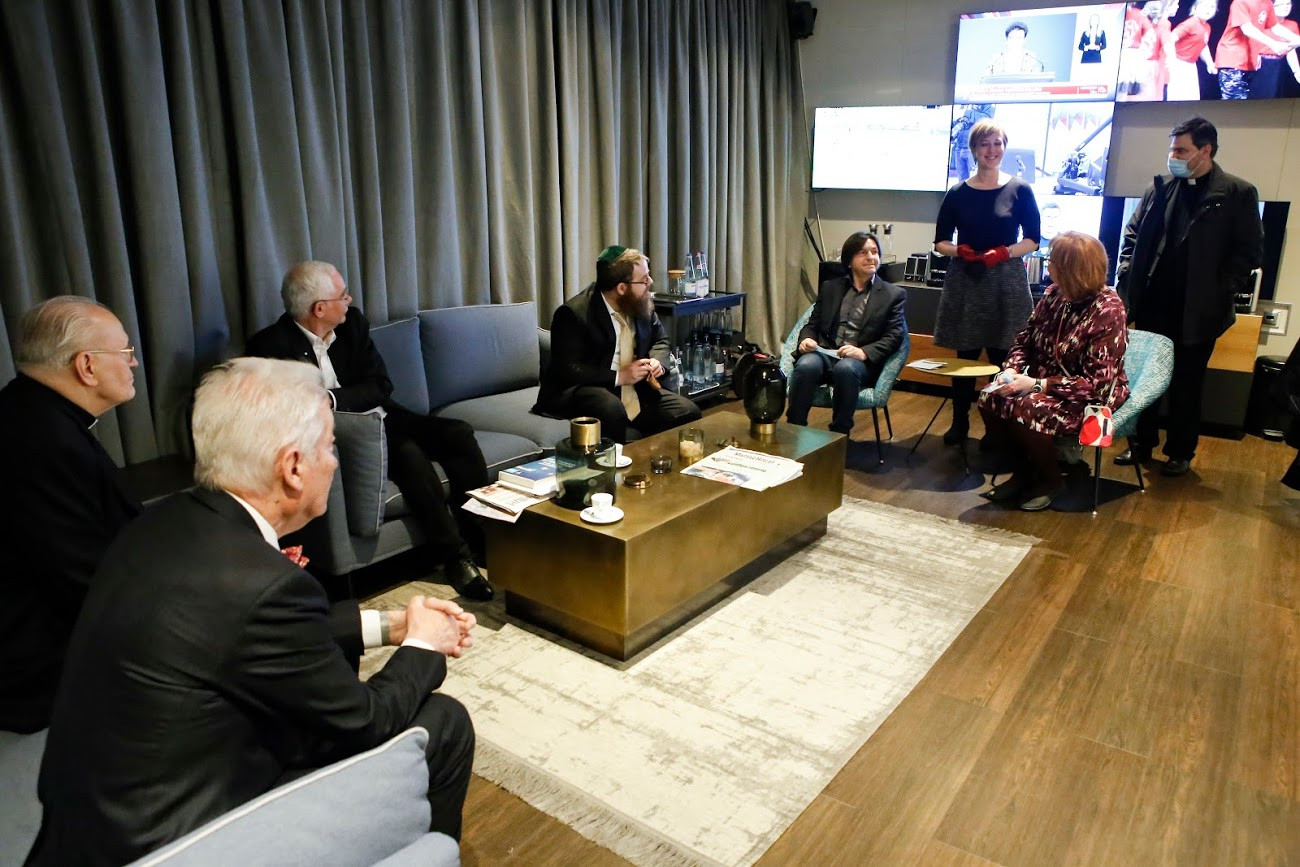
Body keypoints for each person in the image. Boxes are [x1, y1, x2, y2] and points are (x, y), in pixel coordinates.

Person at [26, 358, 477, 866]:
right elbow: (365, 721)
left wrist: (391, 625)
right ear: (293, 467)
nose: (334, 462)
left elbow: (247, 630)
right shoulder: (262, 582)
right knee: (445, 722)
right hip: (175, 843)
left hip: (86, 823)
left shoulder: (163, 521)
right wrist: (424, 643)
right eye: (329, 447)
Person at [245, 261, 493, 601]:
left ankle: (479, 538)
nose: (349, 300)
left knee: (458, 434)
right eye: (342, 295)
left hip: (383, 415)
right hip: (340, 437)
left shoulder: (352, 325)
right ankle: (456, 558)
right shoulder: (270, 348)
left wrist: (330, 398)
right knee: (407, 454)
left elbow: (380, 385)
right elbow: (286, 413)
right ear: (320, 308)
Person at [0, 296, 143, 733]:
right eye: (125, 351)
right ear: (87, 366)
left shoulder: (29, 411)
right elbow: (83, 577)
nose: (134, 363)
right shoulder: (45, 440)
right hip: (41, 668)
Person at [1116, 117, 1263, 475]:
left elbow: (1249, 252)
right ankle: (1141, 444)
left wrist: (1221, 288)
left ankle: (1180, 451)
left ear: (1205, 151)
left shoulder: (1237, 193)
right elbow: (1132, 235)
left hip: (1199, 309)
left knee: (1187, 383)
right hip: (1153, 303)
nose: (1173, 157)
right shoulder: (1159, 189)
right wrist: (1127, 273)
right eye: (1172, 149)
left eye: (1181, 150)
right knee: (1145, 378)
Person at [978, 232, 1130, 511]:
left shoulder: (1109, 309)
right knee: (990, 396)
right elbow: (1025, 340)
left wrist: (1037, 384)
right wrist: (1011, 369)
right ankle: (1023, 472)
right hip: (1040, 382)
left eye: (1053, 262)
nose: (1048, 267)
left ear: (1072, 269)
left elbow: (1096, 385)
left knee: (1027, 407)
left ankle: (1052, 480)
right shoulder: (1053, 295)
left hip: (1088, 396)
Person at [933, 118, 1042, 446]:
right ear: (974, 149)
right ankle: (959, 423)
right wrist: (959, 251)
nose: (992, 150)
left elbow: (1033, 240)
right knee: (964, 358)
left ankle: (1000, 429)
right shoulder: (957, 193)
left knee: (1003, 358)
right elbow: (940, 242)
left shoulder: (1020, 189)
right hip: (967, 280)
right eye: (985, 144)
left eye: (997, 143)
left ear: (1004, 148)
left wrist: (1005, 252)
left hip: (1006, 281)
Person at [535, 245, 701, 443]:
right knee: (611, 408)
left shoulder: (640, 304)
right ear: (622, 288)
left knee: (688, 412)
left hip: (634, 388)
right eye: (644, 279)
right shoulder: (574, 313)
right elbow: (568, 369)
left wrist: (657, 361)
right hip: (587, 389)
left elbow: (660, 340)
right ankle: (615, 459)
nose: (650, 282)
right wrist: (619, 376)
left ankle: (653, 456)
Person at [785, 231, 906, 435]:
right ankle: (793, 430)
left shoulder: (893, 295)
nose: (871, 257)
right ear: (849, 261)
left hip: (859, 361)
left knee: (846, 369)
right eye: (863, 252)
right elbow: (812, 323)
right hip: (826, 353)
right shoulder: (830, 288)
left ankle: (839, 434)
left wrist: (863, 352)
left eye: (875, 252)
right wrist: (807, 339)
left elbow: (895, 336)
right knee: (806, 365)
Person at [1214, 0, 1300, 98]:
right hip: (1232, 59)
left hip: (1251, 61)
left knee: (1251, 102)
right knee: (1234, 102)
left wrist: (1297, 39)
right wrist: (1273, 44)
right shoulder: (1240, 2)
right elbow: (1247, 29)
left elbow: (1275, 27)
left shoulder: (1267, 3)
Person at [1168, 0, 1219, 101]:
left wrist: (1209, 63)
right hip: (1178, 64)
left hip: (1191, 65)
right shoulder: (1189, 24)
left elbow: (1203, 45)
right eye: (1205, 6)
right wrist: (1172, 61)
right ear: (1195, 8)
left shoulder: (1207, 27)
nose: (1208, 10)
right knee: (1177, 98)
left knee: (1191, 97)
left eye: (1212, 7)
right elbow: (1170, 40)